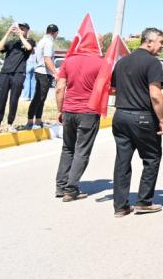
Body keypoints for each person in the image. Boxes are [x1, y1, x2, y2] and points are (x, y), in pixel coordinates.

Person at [110, 27, 163, 217]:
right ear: (149, 41)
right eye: (161, 42)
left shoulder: (122, 62)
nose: (162, 47)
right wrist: (162, 119)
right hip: (142, 117)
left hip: (120, 116)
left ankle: (120, 206)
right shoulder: (152, 63)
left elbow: (113, 90)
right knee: (151, 158)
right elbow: (156, 95)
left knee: (122, 161)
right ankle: (143, 201)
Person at [54, 31, 106, 202]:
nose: (103, 45)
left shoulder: (69, 61)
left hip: (68, 110)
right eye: (101, 42)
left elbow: (60, 88)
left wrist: (60, 109)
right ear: (95, 44)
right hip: (88, 113)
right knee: (82, 151)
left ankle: (60, 187)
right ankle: (71, 189)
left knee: (67, 148)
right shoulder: (102, 63)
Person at [0, 23, 35, 133]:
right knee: (1, 99)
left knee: (13, 100)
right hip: (5, 73)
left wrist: (21, 36)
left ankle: (10, 124)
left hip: (18, 73)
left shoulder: (30, 41)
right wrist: (8, 32)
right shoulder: (12, 43)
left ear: (27, 30)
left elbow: (29, 48)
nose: (20, 30)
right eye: (19, 28)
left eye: (22, 29)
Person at [27, 23, 59, 129]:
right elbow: (47, 59)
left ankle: (38, 120)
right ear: (55, 33)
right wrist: (55, 73)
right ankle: (31, 121)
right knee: (39, 98)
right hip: (44, 73)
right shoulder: (49, 42)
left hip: (40, 71)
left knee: (41, 97)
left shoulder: (42, 41)